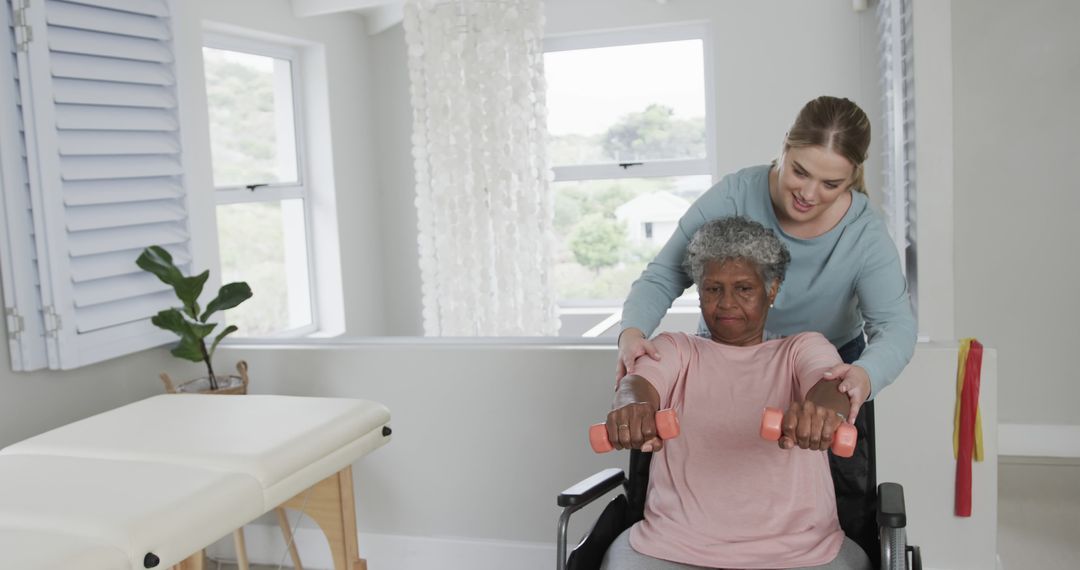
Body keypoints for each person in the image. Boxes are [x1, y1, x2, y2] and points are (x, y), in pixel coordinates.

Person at [616, 95, 916, 557]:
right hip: (726, 357)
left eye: (831, 182)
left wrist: (859, 377)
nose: (809, 193)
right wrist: (634, 333)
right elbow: (664, 274)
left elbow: (894, 327)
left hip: (824, 368)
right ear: (784, 149)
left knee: (835, 496)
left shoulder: (863, 232)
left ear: (853, 177)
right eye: (799, 171)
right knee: (714, 473)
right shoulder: (735, 196)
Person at [601, 217, 871, 570]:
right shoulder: (677, 349)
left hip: (799, 552)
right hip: (672, 545)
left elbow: (831, 384)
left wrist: (822, 414)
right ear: (699, 293)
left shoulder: (801, 349)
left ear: (771, 290)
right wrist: (632, 405)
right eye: (713, 289)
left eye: (744, 288)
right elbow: (638, 383)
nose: (726, 303)